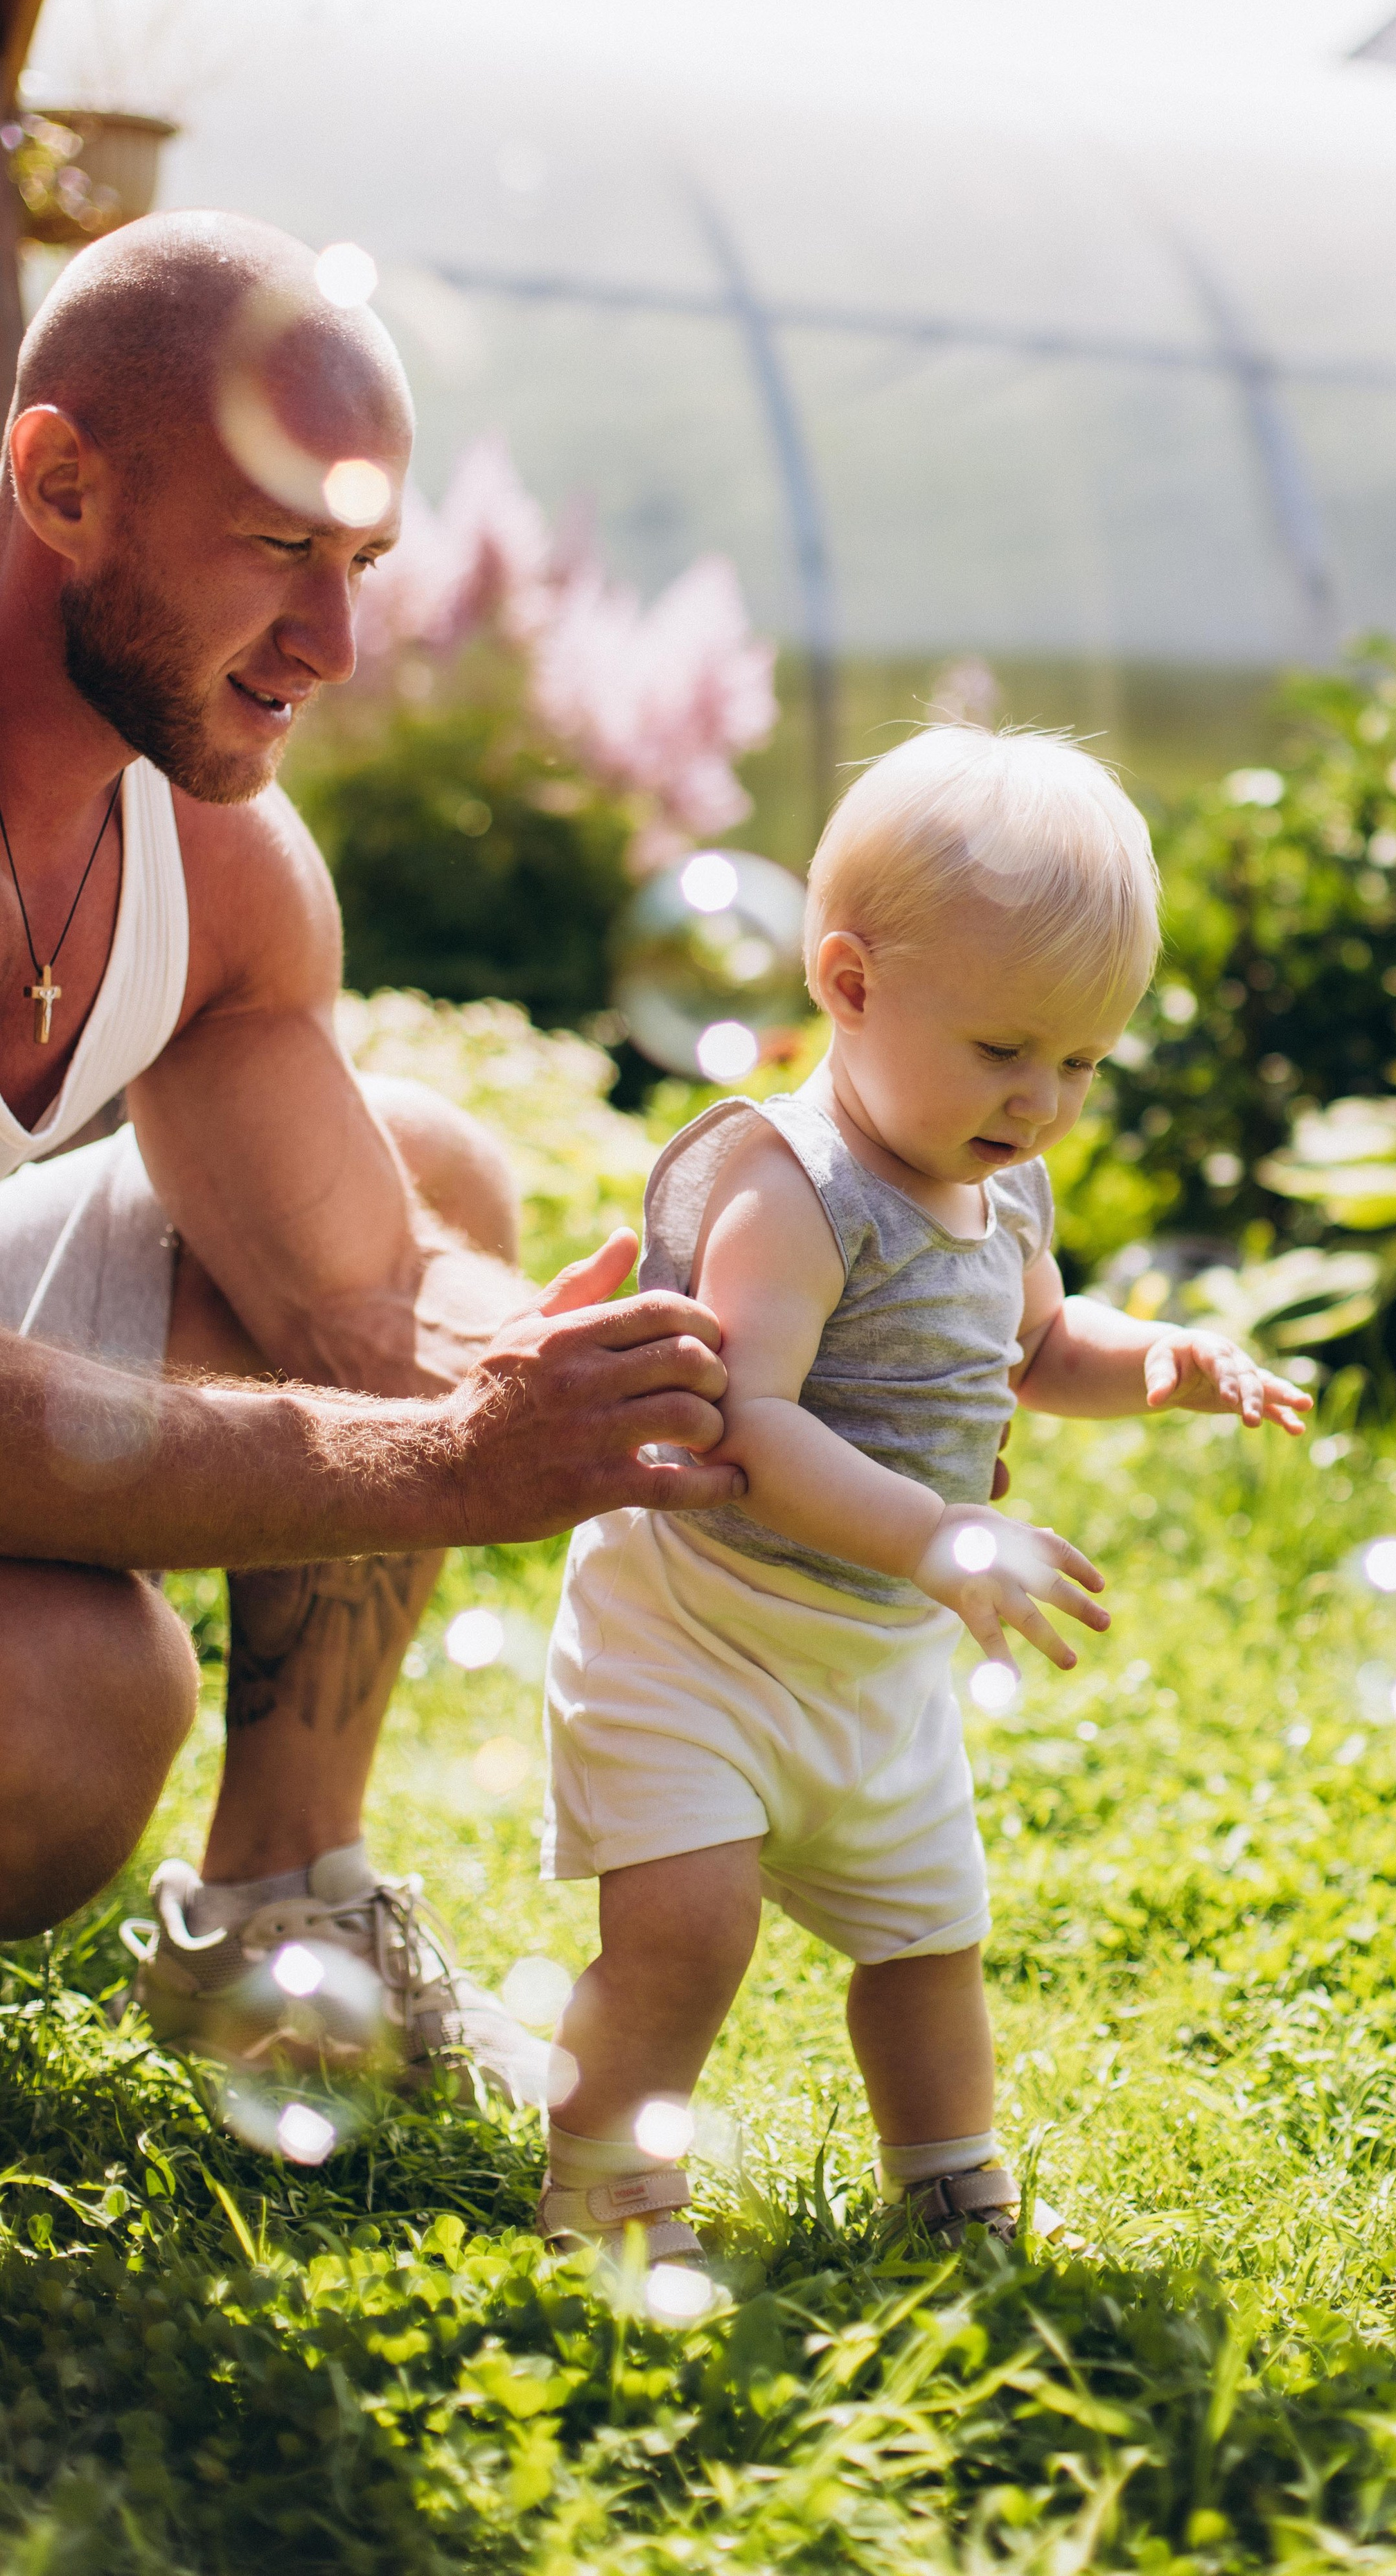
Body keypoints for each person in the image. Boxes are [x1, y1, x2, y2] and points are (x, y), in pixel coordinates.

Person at [0, 209, 744, 2082]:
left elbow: (365, 1289)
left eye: (366, 560)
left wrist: (734, 1390)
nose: (336, 641)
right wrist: (448, 1461)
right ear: (61, 482)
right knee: (76, 1708)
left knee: (425, 1168)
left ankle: (283, 1909)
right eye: (278, 552)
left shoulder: (217, 866)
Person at [537, 726, 1311, 2265]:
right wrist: (939, 1531)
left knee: (927, 1942)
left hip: (875, 1661)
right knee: (687, 1931)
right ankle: (611, 2191)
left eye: (1081, 1062)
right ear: (847, 983)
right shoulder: (788, 1184)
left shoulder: (997, 1178)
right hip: (698, 1640)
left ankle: (950, 2185)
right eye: (1006, 1049)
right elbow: (751, 1424)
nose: (1040, 1102)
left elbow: (1037, 1344)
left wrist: (1161, 1361)